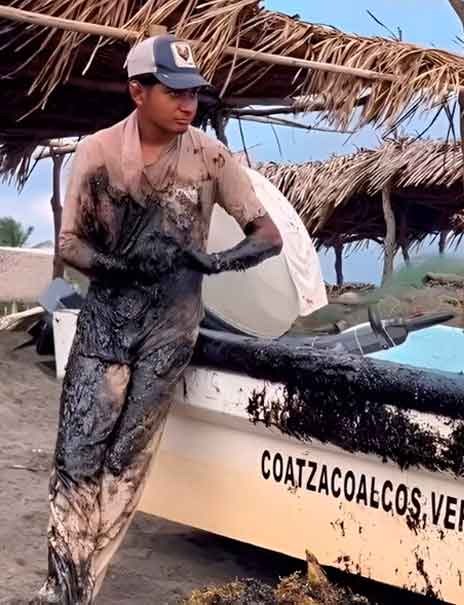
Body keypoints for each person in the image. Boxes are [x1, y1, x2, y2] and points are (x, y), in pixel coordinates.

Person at [36, 35, 282, 603]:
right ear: (137, 91)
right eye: (173, 92)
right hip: (105, 323)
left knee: (127, 461)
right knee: (78, 453)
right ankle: (61, 590)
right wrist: (121, 267)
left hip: (170, 330)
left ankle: (77, 591)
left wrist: (215, 261)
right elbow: (70, 244)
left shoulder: (210, 157)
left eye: (193, 93)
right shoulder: (97, 153)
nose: (187, 105)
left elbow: (266, 235)